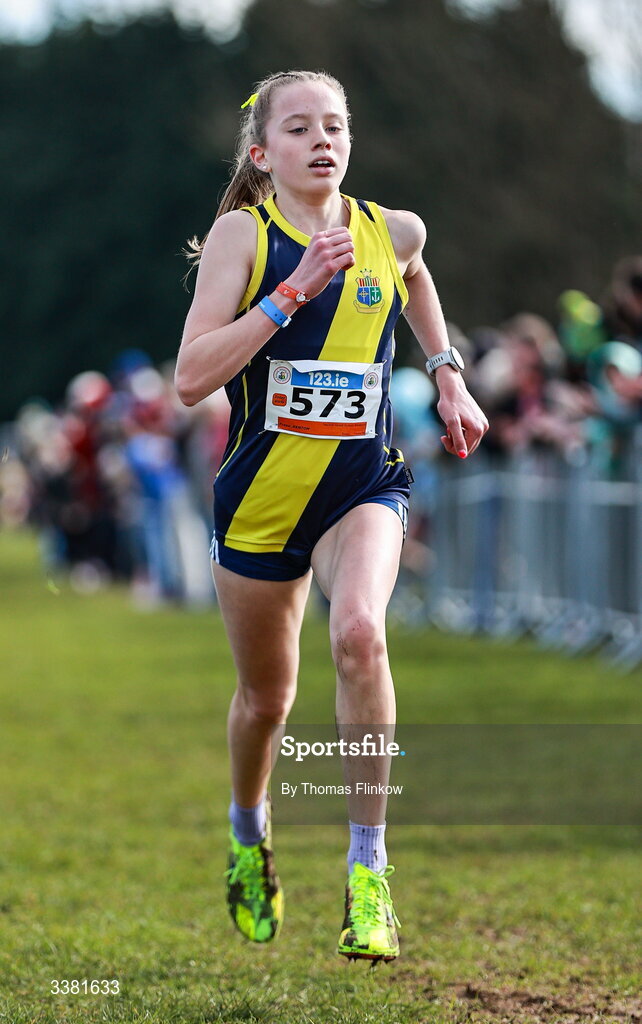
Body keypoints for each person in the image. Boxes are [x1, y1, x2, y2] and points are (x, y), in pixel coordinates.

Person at [175, 69, 488, 962]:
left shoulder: (392, 230)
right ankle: (248, 831)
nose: (323, 140)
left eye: (337, 126)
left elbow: (417, 278)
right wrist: (294, 292)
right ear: (262, 151)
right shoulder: (247, 234)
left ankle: (368, 871)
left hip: (362, 484)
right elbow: (192, 376)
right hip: (263, 503)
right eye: (301, 127)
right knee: (266, 702)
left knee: (359, 634)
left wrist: (447, 372)